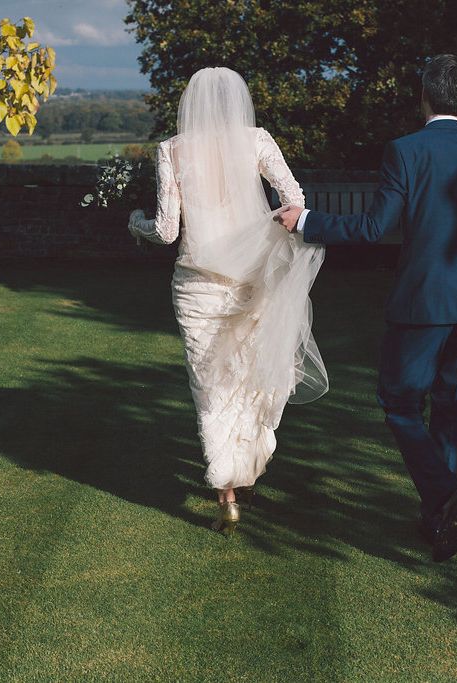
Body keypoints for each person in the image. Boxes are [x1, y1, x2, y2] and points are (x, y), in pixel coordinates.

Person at [275, 54, 457, 562]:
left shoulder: (405, 152)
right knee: (452, 412)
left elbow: (372, 228)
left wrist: (305, 222)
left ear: (424, 97)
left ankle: (446, 497)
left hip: (422, 303)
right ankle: (441, 521)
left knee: (399, 402)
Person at [129, 67, 328, 536]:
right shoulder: (256, 140)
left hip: (197, 286)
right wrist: (263, 234)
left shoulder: (172, 150)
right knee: (250, 376)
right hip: (251, 280)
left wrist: (134, 221)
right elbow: (295, 200)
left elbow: (166, 230)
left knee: (211, 386)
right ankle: (243, 471)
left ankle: (227, 494)